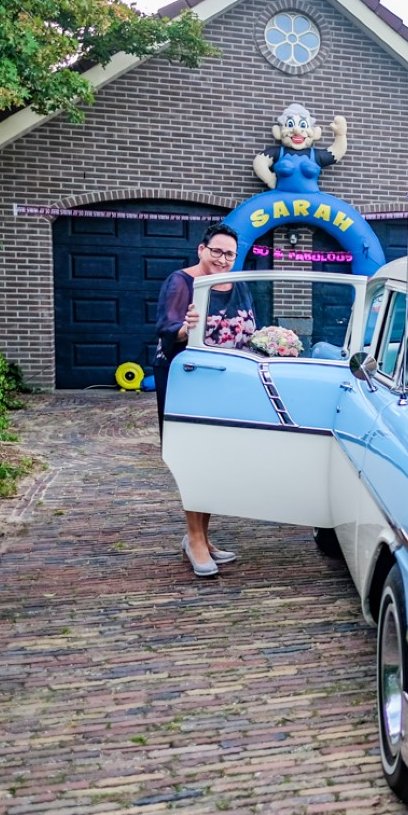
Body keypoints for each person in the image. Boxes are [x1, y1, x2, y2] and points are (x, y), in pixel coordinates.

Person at [152, 222, 256, 578]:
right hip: (187, 381)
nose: (223, 260)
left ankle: (202, 536)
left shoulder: (239, 285)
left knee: (214, 459)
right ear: (201, 249)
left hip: (226, 383)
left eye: (230, 254)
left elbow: (249, 332)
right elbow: (168, 329)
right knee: (193, 457)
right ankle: (194, 539)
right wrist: (186, 328)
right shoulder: (181, 282)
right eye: (217, 251)